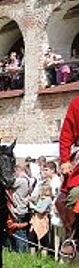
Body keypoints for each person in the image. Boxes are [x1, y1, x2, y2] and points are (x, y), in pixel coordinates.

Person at [58, 95, 79, 256]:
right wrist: (65, 160)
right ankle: (75, 238)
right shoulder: (76, 103)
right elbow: (66, 135)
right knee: (73, 196)